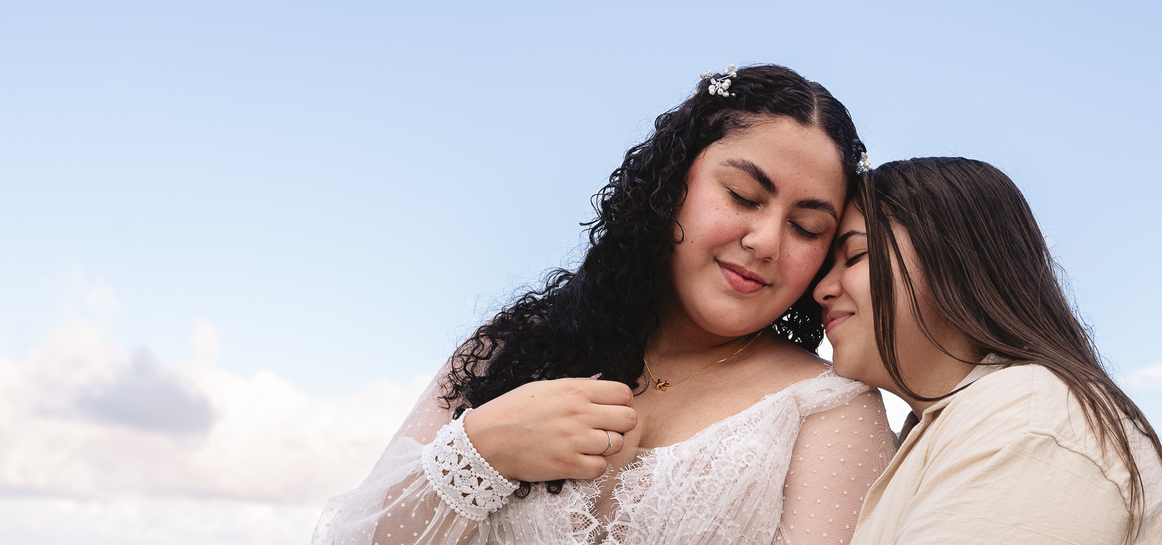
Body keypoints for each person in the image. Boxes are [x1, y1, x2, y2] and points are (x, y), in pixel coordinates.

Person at [313, 64, 895, 545]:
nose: (766, 241)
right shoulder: (507, 347)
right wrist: (484, 450)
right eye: (743, 196)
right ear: (671, 183)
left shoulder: (829, 409)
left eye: (806, 226)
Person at [814, 156, 1162, 544]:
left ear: (952, 258)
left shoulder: (1029, 424)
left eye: (855, 255)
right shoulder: (971, 424)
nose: (822, 288)